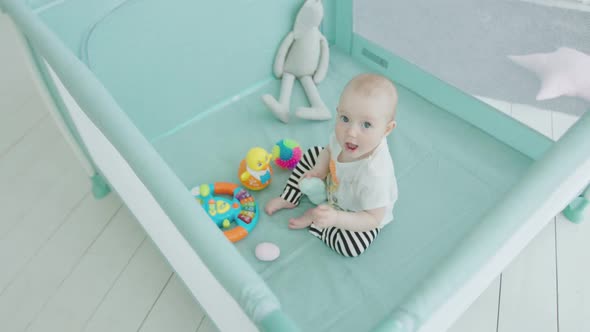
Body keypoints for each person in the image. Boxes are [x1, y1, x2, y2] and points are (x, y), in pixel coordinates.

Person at [265, 73, 399, 257]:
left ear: (387, 129)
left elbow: (373, 218)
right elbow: (329, 151)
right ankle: (290, 196)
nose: (351, 132)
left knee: (352, 247)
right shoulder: (342, 136)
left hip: (356, 211)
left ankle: (317, 220)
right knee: (313, 153)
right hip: (334, 183)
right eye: (345, 118)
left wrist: (337, 218)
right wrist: (319, 169)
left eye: (366, 125)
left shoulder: (375, 175)